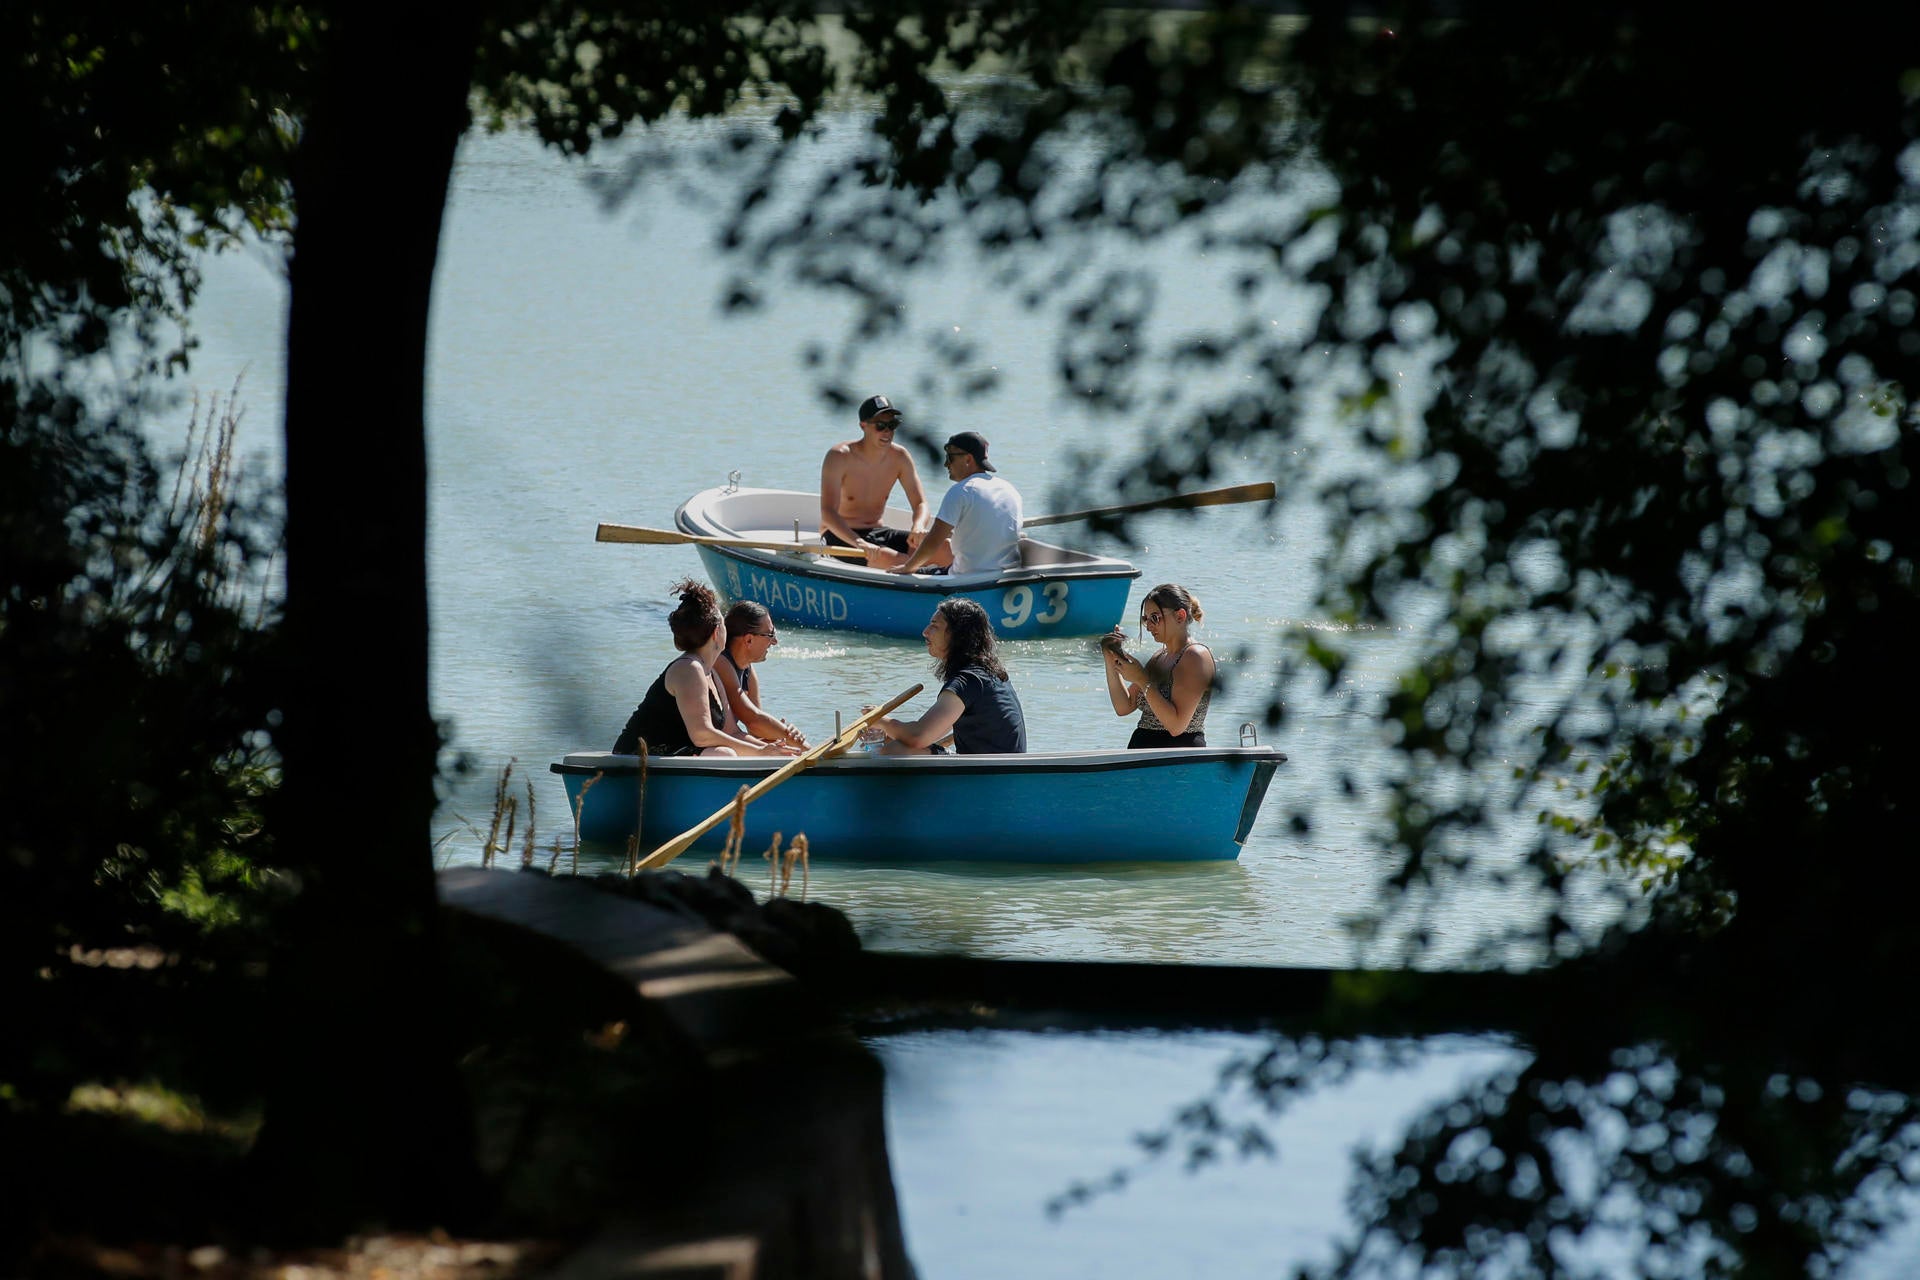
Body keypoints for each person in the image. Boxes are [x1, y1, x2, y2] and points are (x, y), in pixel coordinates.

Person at [613, 579, 803, 758]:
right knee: (724, 754)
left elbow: (733, 733)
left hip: (672, 755)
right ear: (716, 632)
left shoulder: (711, 672)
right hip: (637, 756)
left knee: (729, 751)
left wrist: (774, 750)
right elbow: (702, 735)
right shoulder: (689, 668)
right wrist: (760, 752)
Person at [864, 597, 1027, 754]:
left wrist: (879, 720)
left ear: (958, 635)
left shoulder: (969, 680)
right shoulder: (989, 674)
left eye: (934, 626)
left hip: (987, 775)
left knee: (896, 750)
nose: (925, 632)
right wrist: (887, 733)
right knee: (891, 741)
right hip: (997, 772)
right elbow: (931, 734)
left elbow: (918, 737)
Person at [819, 394, 946, 570]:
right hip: (839, 536)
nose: (887, 432)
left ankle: (943, 585)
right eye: (880, 426)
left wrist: (918, 526)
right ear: (863, 426)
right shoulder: (840, 456)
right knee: (896, 560)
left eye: (892, 426)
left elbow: (920, 503)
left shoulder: (900, 457)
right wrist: (859, 543)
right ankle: (929, 582)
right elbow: (828, 513)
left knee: (945, 548)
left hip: (877, 532)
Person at [889, 431, 1023, 577]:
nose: (946, 464)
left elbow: (933, 543)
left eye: (950, 457)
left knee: (908, 571)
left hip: (966, 577)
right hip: (1007, 575)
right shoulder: (1009, 489)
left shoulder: (961, 491)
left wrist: (908, 568)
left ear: (968, 459)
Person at [1100, 583, 1215, 747]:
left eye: (1155, 617)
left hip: (1177, 760)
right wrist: (1110, 656)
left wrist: (1142, 679)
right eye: (1145, 619)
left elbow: (1177, 726)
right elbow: (1124, 706)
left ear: (1180, 616)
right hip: (1146, 759)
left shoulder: (1195, 656)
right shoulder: (1159, 657)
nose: (1148, 627)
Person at [715, 601, 807, 750]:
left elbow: (756, 731)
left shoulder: (748, 670)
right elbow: (753, 720)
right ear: (749, 640)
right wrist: (800, 745)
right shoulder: (720, 662)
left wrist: (784, 738)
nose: (775, 641)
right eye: (770, 634)